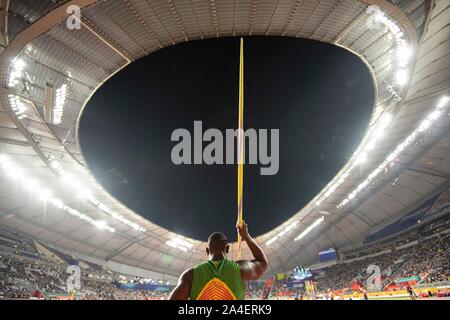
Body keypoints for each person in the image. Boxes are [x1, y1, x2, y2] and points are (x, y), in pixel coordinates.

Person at [169, 221, 268, 300]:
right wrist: (246, 236)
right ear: (228, 249)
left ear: (207, 251)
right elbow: (262, 262)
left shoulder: (190, 275)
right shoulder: (241, 269)